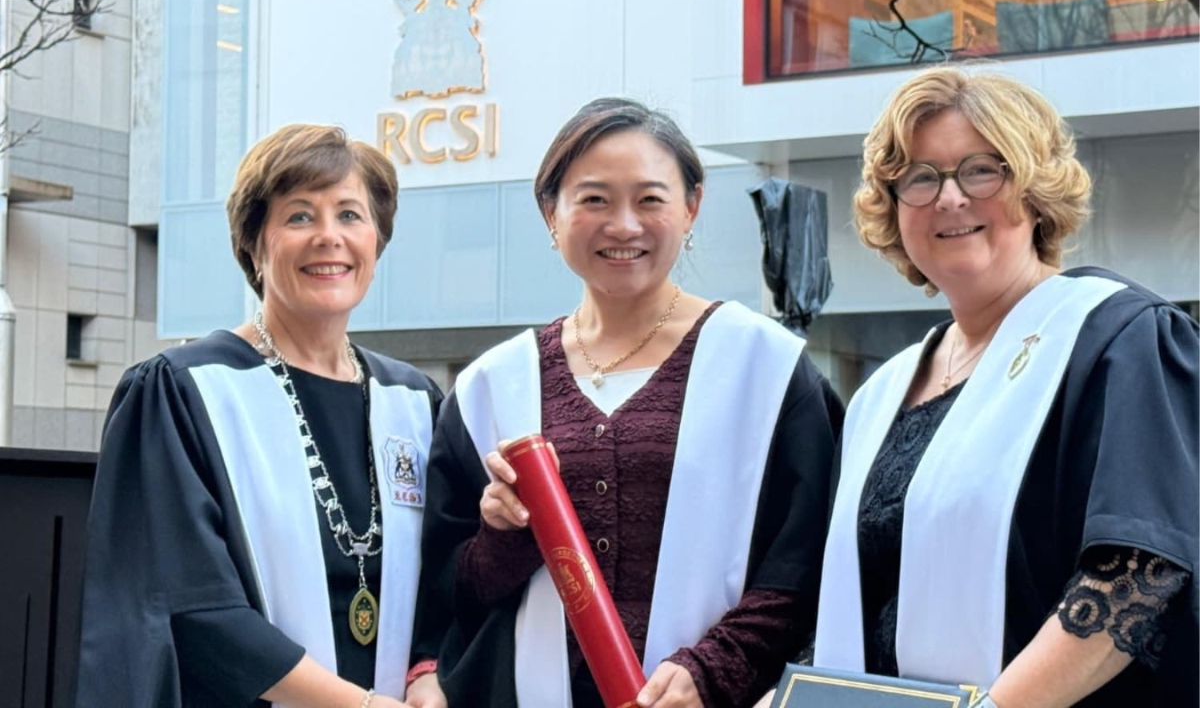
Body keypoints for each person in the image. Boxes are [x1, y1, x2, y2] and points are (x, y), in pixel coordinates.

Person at [411, 98, 843, 708]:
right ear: (551, 213)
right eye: (593, 199)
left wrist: (715, 668)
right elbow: (446, 593)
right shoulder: (492, 387)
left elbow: (808, 564)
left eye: (649, 199)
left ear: (691, 206)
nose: (623, 225)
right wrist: (502, 537)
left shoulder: (764, 369)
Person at [810, 67, 1198, 706]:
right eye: (920, 178)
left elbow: (1139, 577)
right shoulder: (881, 395)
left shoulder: (1117, 340)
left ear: (1035, 189)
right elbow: (862, 605)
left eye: (981, 171)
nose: (949, 198)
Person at [76, 124, 447, 708]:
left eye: (350, 215)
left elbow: (448, 578)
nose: (329, 237)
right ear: (253, 244)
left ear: (376, 242)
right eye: (299, 216)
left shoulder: (413, 401)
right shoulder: (184, 391)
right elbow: (188, 603)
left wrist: (428, 670)